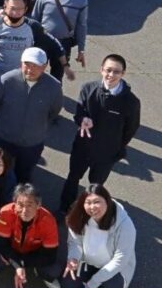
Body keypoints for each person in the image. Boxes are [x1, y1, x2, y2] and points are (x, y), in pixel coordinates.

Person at [0, 0, 67, 148]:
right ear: (5, 7)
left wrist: (63, 63)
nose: (15, 12)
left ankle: (0, 151)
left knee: (11, 118)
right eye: (12, 8)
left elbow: (50, 45)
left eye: (20, 9)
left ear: (26, 9)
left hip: (19, 82)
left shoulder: (33, 27)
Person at [59, 55, 141, 211]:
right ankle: (65, 208)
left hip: (106, 154)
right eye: (108, 70)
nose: (111, 75)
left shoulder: (131, 102)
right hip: (82, 147)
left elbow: (131, 129)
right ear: (101, 70)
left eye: (116, 72)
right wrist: (83, 119)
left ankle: (87, 213)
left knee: (95, 187)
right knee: (73, 177)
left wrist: (116, 145)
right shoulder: (88, 89)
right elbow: (79, 113)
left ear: (123, 74)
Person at [0, 47, 64, 184]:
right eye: (27, 64)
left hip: (31, 143)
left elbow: (53, 112)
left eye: (35, 66)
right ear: (20, 63)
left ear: (45, 66)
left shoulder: (54, 87)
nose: (30, 70)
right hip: (3, 138)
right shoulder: (6, 80)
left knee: (23, 176)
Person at [62, 183, 136, 288]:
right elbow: (74, 242)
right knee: (68, 284)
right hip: (88, 263)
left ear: (107, 201)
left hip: (113, 267)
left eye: (97, 202)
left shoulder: (125, 224)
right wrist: (73, 258)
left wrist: (93, 282)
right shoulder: (78, 217)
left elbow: (120, 259)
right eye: (88, 203)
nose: (92, 207)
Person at [0, 183, 61, 288]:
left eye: (29, 205)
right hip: (11, 249)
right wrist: (17, 265)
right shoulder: (5, 212)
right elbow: (2, 244)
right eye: (20, 205)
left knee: (53, 270)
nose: (24, 210)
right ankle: (3, 265)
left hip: (35, 253)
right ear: (14, 203)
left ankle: (38, 271)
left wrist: (21, 264)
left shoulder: (49, 220)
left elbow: (50, 255)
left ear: (38, 205)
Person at [32, 0, 89, 80]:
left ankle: (54, 92)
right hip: (43, 40)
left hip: (64, 43)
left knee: (57, 77)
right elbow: (35, 19)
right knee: (35, 73)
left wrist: (81, 49)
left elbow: (81, 26)